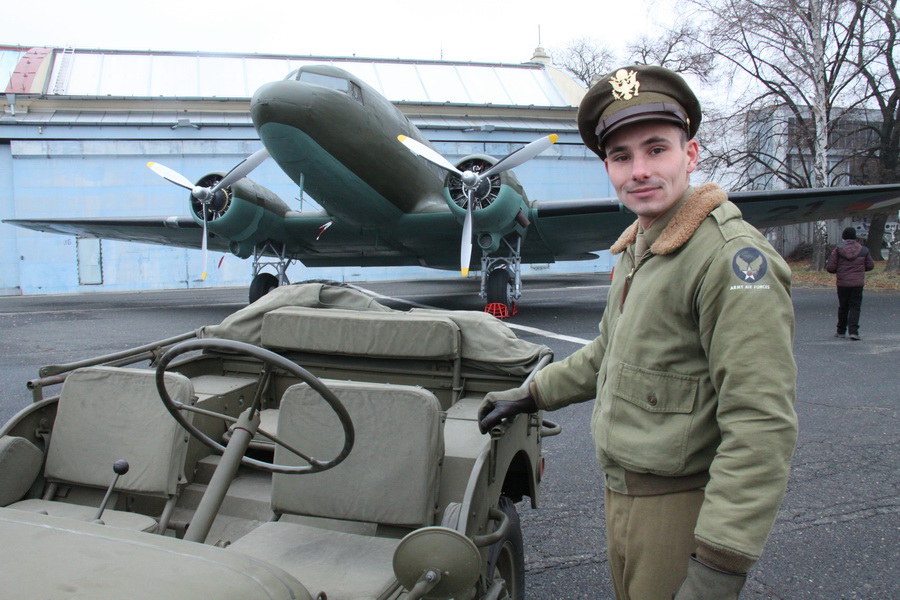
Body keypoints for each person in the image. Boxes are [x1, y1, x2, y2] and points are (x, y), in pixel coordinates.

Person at [479, 65, 798, 600]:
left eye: (656, 150)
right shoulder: (640, 246)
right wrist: (530, 395)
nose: (639, 171)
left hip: (681, 508)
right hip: (623, 494)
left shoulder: (729, 258)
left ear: (690, 155)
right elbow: (609, 352)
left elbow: (760, 426)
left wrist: (719, 566)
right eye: (621, 157)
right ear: (607, 167)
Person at [825, 226, 874, 340]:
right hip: (857, 283)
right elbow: (870, 266)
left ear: (844, 237)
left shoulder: (838, 250)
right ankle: (854, 332)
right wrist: (859, 269)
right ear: (855, 237)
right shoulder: (863, 250)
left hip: (842, 283)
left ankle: (841, 331)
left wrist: (841, 270)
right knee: (855, 307)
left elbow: (830, 267)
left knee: (843, 307)